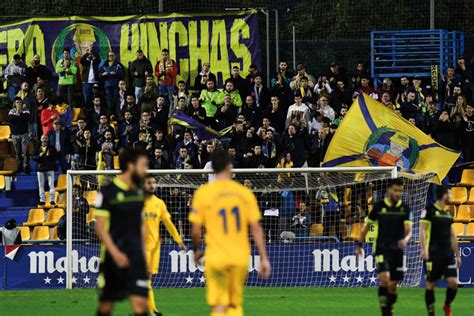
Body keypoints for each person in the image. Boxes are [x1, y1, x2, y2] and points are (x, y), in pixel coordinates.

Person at [190, 149, 271, 316]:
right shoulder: (244, 193)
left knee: (219, 305)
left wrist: (197, 250)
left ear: (212, 168)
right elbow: (256, 228)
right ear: (229, 166)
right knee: (234, 304)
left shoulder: (203, 193)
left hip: (216, 256)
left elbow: (196, 229)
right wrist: (263, 257)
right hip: (239, 257)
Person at [94, 147, 150, 315]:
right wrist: (116, 254)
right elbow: (100, 228)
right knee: (106, 307)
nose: (145, 169)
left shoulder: (140, 191)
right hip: (112, 258)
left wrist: (144, 254)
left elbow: (142, 224)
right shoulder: (107, 192)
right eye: (143, 165)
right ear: (131, 165)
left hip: (136, 257)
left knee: (141, 306)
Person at [355, 178, 412, 316]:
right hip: (381, 247)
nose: (398, 193)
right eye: (396, 190)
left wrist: (406, 239)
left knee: (392, 286)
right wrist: (359, 245)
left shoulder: (404, 208)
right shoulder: (379, 206)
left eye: (400, 191)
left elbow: (408, 229)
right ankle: (385, 311)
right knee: (385, 278)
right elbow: (366, 227)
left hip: (397, 250)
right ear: (389, 190)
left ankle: (390, 308)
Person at [142, 175, 186, 315]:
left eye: (154, 183)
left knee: (146, 279)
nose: (152, 185)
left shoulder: (159, 203)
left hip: (155, 246)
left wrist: (178, 240)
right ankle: (152, 310)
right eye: (149, 183)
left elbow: (168, 223)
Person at [420, 186, 461, 316]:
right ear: (444, 195)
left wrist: (458, 254)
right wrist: (424, 249)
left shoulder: (448, 214)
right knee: (431, 284)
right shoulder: (429, 211)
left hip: (447, 254)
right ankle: (431, 312)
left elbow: (452, 235)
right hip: (433, 253)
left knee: (453, 283)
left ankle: (447, 305)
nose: (451, 197)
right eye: (450, 194)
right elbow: (422, 230)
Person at [8, 97, 31, 174]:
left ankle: (26, 166)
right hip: (15, 135)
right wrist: (18, 115)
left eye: (20, 102)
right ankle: (19, 166)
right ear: (15, 103)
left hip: (24, 134)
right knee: (17, 152)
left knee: (25, 152)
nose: (19, 104)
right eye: (17, 102)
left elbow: (27, 119)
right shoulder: (11, 111)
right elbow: (11, 120)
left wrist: (19, 113)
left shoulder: (26, 110)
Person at [34, 134, 58, 206]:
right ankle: (42, 200)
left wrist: (49, 156)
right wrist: (39, 156)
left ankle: (52, 200)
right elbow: (33, 157)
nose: (44, 139)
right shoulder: (37, 147)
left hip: (49, 168)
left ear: (48, 139)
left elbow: (55, 157)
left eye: (46, 138)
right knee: (41, 185)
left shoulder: (52, 148)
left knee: (51, 185)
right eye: (43, 138)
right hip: (40, 168)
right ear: (41, 139)